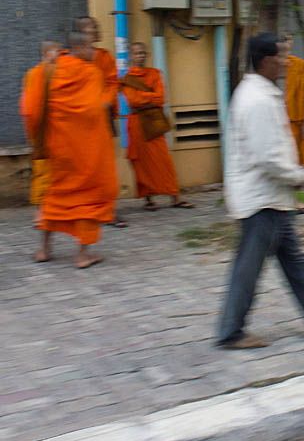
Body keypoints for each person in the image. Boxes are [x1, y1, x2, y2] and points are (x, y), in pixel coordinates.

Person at [216, 33, 304, 349]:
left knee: (295, 261)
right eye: (280, 57)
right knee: (248, 268)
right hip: (261, 199)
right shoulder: (257, 100)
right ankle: (230, 332)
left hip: (271, 197)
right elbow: (267, 156)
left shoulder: (258, 93)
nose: (284, 63)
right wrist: (297, 176)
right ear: (265, 60)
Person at [21, 32, 118, 267]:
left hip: (57, 149)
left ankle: (44, 249)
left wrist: (38, 141)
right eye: (91, 48)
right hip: (86, 151)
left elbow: (29, 110)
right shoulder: (90, 73)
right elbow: (96, 110)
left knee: (53, 195)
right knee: (88, 198)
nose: (94, 52)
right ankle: (83, 255)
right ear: (81, 47)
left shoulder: (42, 72)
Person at [120, 42, 193, 210]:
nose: (140, 56)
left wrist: (146, 98)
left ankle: (175, 196)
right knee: (142, 163)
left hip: (153, 121)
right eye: (137, 53)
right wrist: (150, 97)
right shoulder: (126, 79)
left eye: (143, 53)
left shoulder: (154, 74)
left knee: (163, 160)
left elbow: (161, 98)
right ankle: (148, 199)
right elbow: (133, 100)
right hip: (137, 123)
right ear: (131, 56)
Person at [76, 15, 128, 227]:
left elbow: (113, 82)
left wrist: (105, 101)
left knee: (105, 166)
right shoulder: (72, 58)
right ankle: (86, 209)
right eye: (90, 28)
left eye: (96, 27)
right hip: (79, 120)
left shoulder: (104, 57)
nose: (96, 30)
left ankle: (108, 210)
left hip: (102, 117)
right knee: (84, 167)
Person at [21, 40, 62, 222]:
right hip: (42, 129)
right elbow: (29, 105)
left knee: (56, 171)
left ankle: (55, 209)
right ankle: (40, 211)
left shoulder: (59, 73)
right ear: (47, 52)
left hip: (56, 130)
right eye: (56, 51)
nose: (59, 54)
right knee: (42, 171)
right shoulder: (35, 74)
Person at [282, 34, 304, 169]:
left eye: (288, 49)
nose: (286, 55)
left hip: (294, 121)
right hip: (276, 121)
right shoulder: (266, 68)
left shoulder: (298, 66)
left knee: (295, 160)